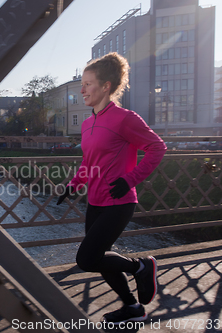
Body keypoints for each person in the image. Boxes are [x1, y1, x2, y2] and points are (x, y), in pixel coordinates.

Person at [56, 52, 167, 324]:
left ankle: (140, 266)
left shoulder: (125, 118)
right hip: (94, 201)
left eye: (88, 84)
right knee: (99, 258)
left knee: (86, 259)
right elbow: (89, 161)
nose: (81, 90)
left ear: (106, 86)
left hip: (119, 202)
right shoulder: (87, 123)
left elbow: (157, 148)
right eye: (81, 84)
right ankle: (133, 308)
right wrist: (74, 185)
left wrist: (130, 179)